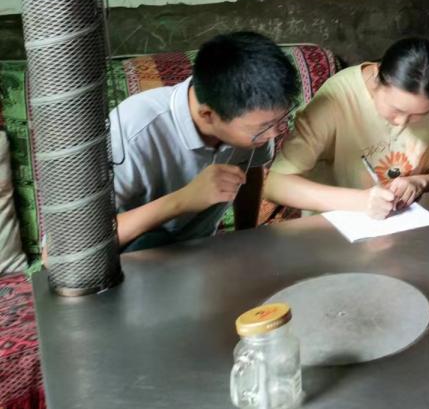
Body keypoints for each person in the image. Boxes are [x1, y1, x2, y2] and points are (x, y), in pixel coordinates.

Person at [111, 31, 299, 251]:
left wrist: (246, 238)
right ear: (208, 115)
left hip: (203, 250)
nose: (274, 133)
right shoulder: (132, 131)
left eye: (280, 120)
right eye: (264, 128)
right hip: (136, 257)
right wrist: (182, 200)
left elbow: (251, 171)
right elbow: (77, 244)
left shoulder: (256, 126)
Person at [265, 38, 429, 218]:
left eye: (420, 115)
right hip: (343, 224)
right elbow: (275, 185)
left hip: (415, 220)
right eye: (395, 109)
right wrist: (360, 201)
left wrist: (420, 182)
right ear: (377, 76)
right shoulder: (338, 98)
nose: (402, 123)